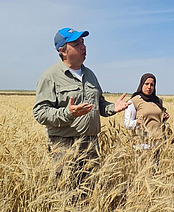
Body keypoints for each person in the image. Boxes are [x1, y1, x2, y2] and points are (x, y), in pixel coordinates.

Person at [33, 27, 130, 181]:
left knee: (91, 193)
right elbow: (40, 112)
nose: (83, 47)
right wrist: (68, 113)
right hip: (64, 146)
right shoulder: (50, 77)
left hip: (91, 144)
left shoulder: (90, 74)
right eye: (77, 44)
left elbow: (99, 103)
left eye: (83, 42)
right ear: (63, 51)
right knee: (66, 193)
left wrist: (112, 108)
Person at [124, 73, 169, 149]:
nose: (149, 87)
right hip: (142, 144)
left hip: (157, 143)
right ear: (141, 84)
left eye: (152, 85)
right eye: (146, 84)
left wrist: (163, 118)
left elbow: (157, 121)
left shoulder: (158, 101)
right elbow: (127, 124)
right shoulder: (133, 101)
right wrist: (136, 122)